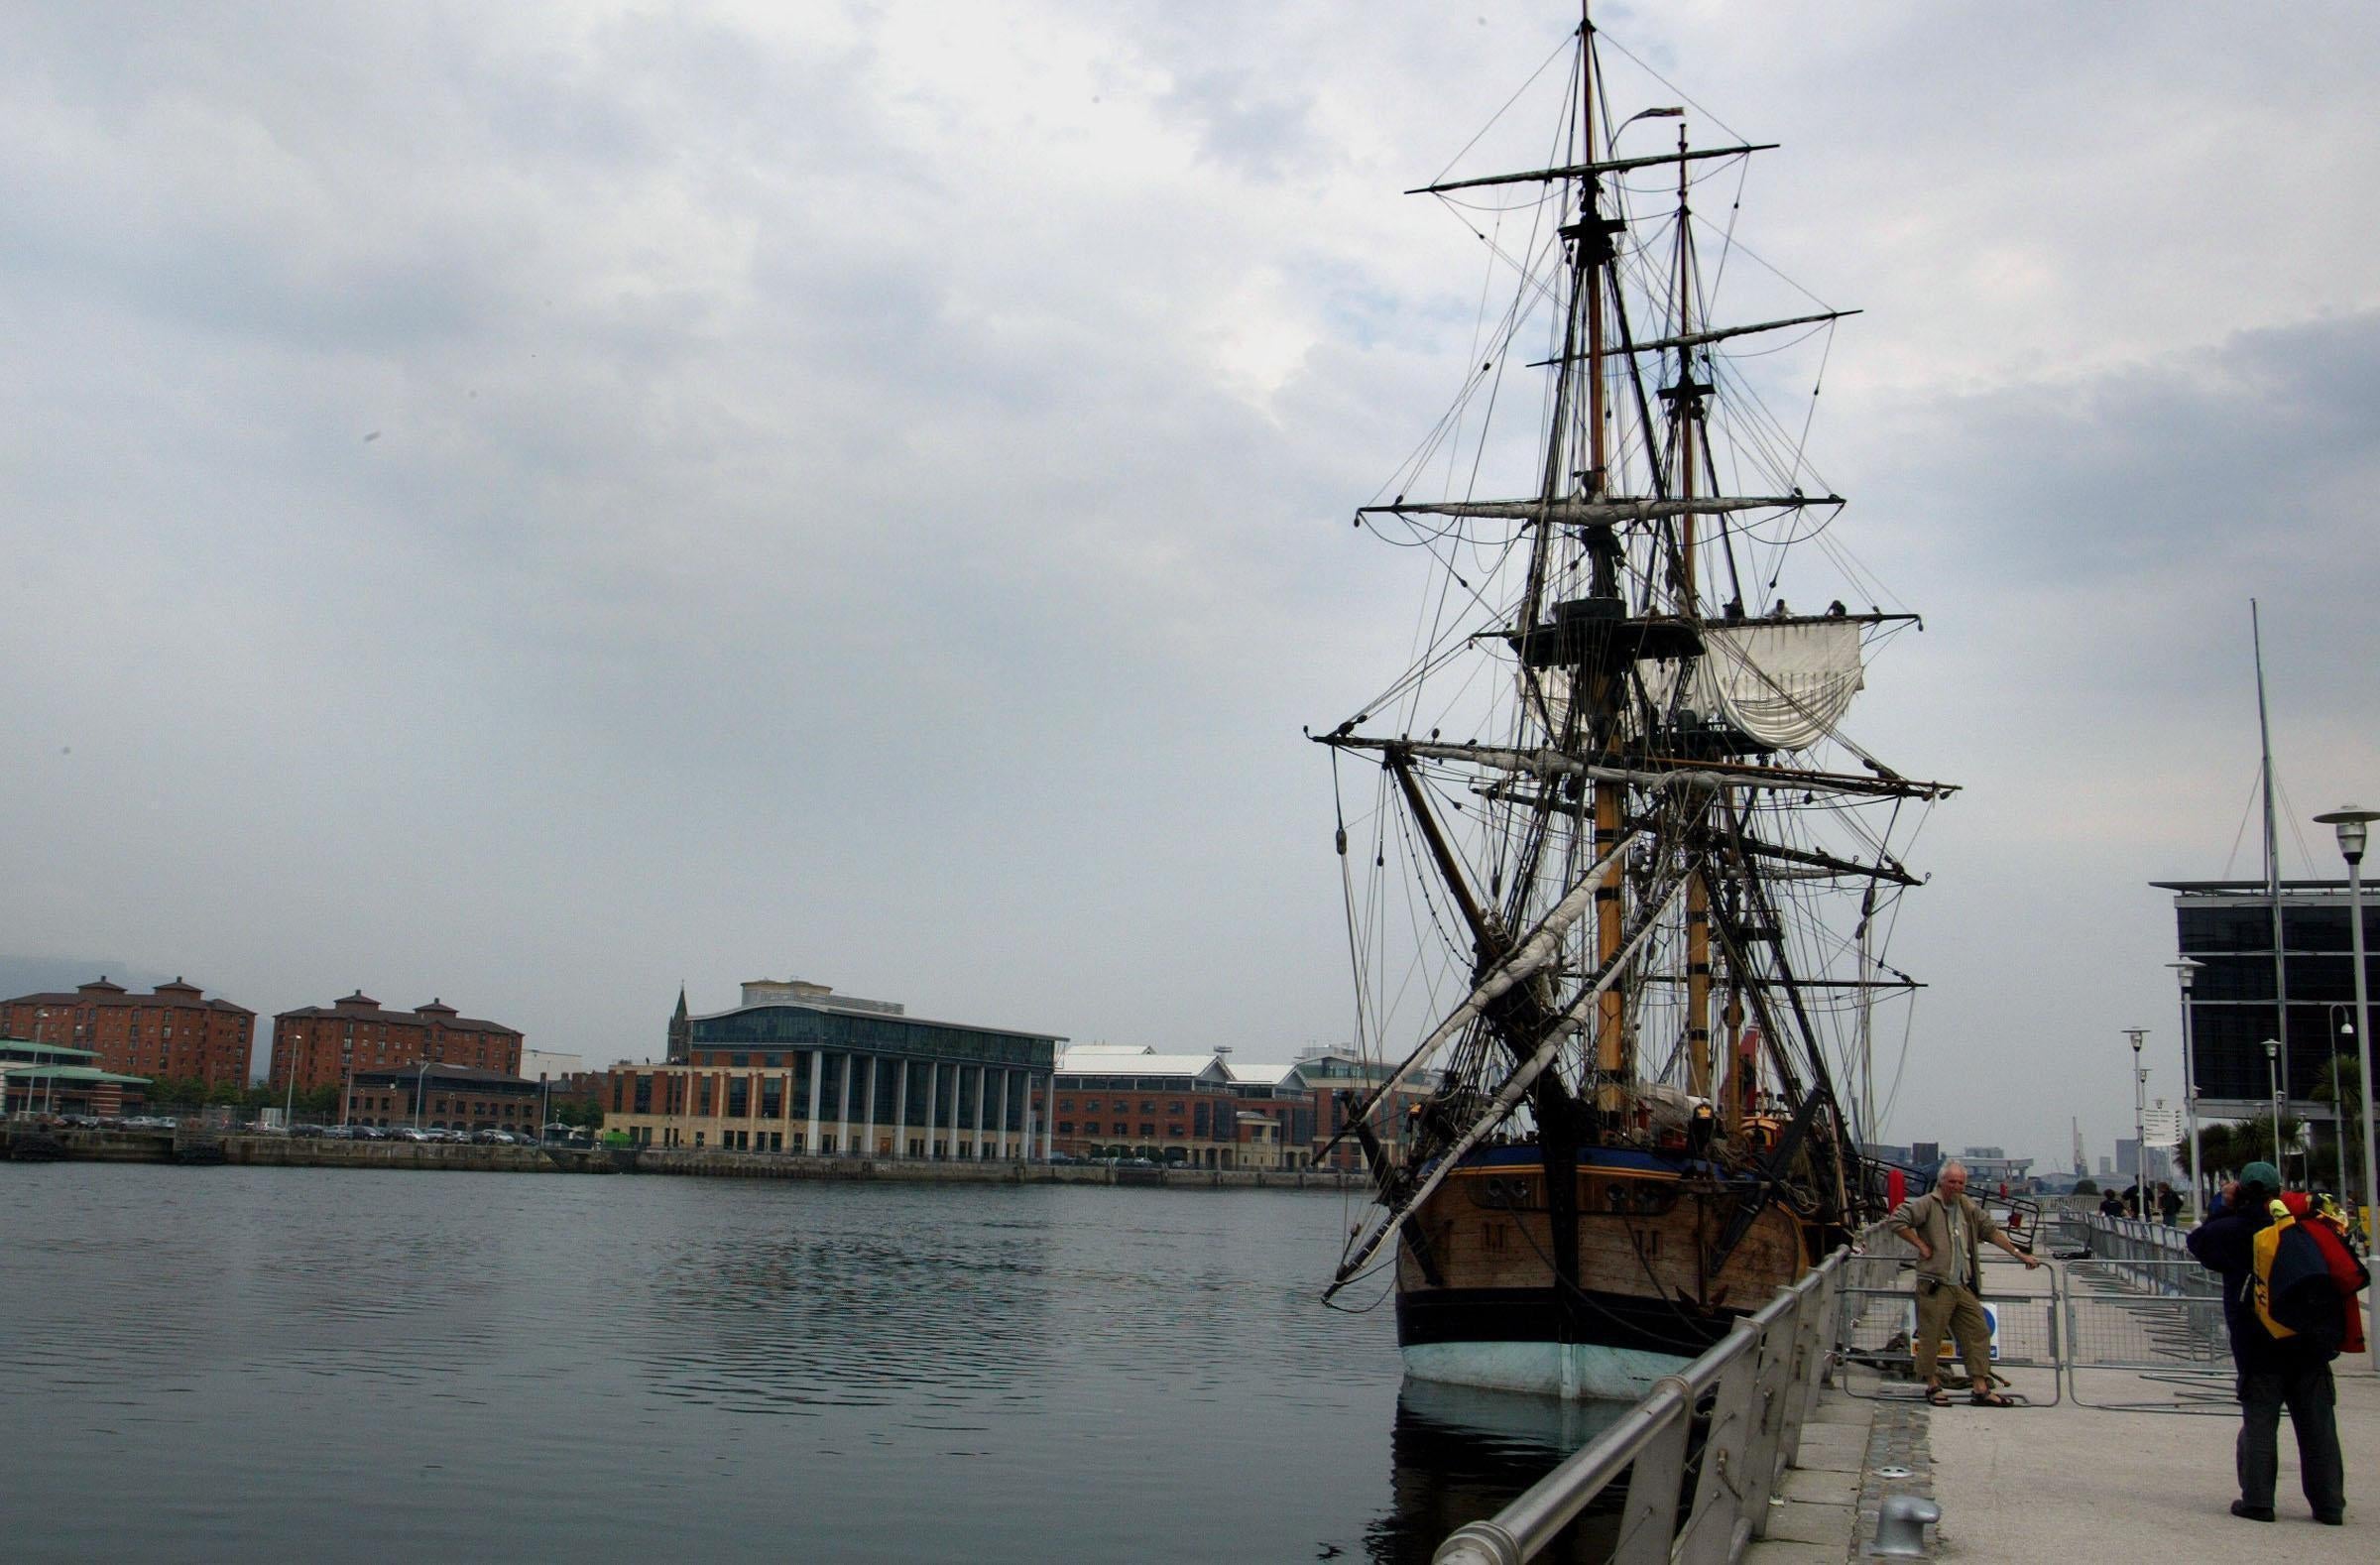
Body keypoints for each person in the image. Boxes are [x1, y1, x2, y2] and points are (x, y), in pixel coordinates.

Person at [2186, 1160, 2362, 1525]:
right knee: (2319, 1428)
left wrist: (2224, 1204)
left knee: (2260, 1423)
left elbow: (2198, 1242)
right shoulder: (2306, 1226)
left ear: (2243, 1191)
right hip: (2310, 1341)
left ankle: (2258, 1501)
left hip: (2259, 1343)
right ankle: (2329, 1505)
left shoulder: (2234, 1228)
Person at [1889, 1159, 2043, 1405]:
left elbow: (1991, 1230)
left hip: (1962, 1284)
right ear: (1941, 1182)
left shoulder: (1966, 1207)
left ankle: (1980, 1387)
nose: (1957, 1187)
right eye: (1952, 1182)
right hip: (1936, 1283)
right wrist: (1921, 1245)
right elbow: (1896, 1220)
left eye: (1961, 1182)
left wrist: (2019, 1254)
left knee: (1978, 1331)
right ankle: (1932, 1385)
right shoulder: (1927, 1204)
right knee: (1931, 1335)